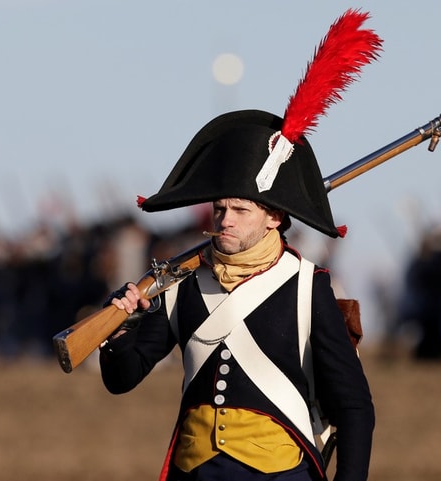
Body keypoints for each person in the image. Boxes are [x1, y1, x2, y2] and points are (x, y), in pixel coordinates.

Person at [97, 9, 381, 481]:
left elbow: (354, 407)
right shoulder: (180, 284)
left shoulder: (306, 287)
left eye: (240, 210)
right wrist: (118, 326)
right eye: (220, 208)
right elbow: (122, 379)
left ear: (274, 217)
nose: (225, 219)